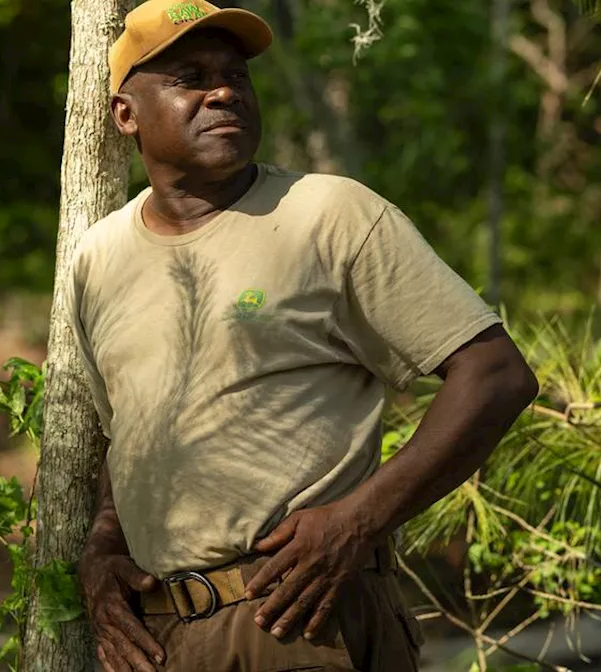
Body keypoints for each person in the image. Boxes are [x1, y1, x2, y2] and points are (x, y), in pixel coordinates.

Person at [66, 1, 539, 670]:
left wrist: (359, 519)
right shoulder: (98, 258)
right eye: (190, 77)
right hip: (161, 641)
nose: (225, 91)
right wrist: (104, 547)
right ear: (126, 113)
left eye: (237, 75)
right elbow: (127, 433)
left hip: (301, 621)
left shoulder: (328, 214)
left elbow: (495, 375)